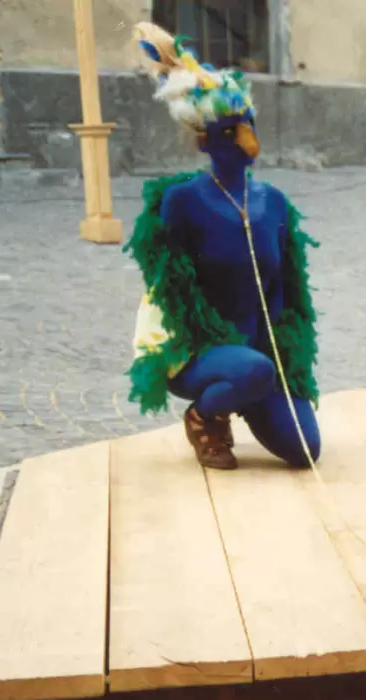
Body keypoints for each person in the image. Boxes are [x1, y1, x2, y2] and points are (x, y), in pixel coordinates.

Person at [124, 22, 321, 471]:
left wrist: (283, 358)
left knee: (305, 449)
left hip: (258, 355)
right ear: (204, 139)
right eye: (231, 131)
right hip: (198, 351)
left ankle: (247, 389)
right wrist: (228, 355)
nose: (248, 140)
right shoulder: (182, 201)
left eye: (249, 124)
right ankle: (205, 415)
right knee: (250, 370)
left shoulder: (274, 203)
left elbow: (285, 293)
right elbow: (171, 292)